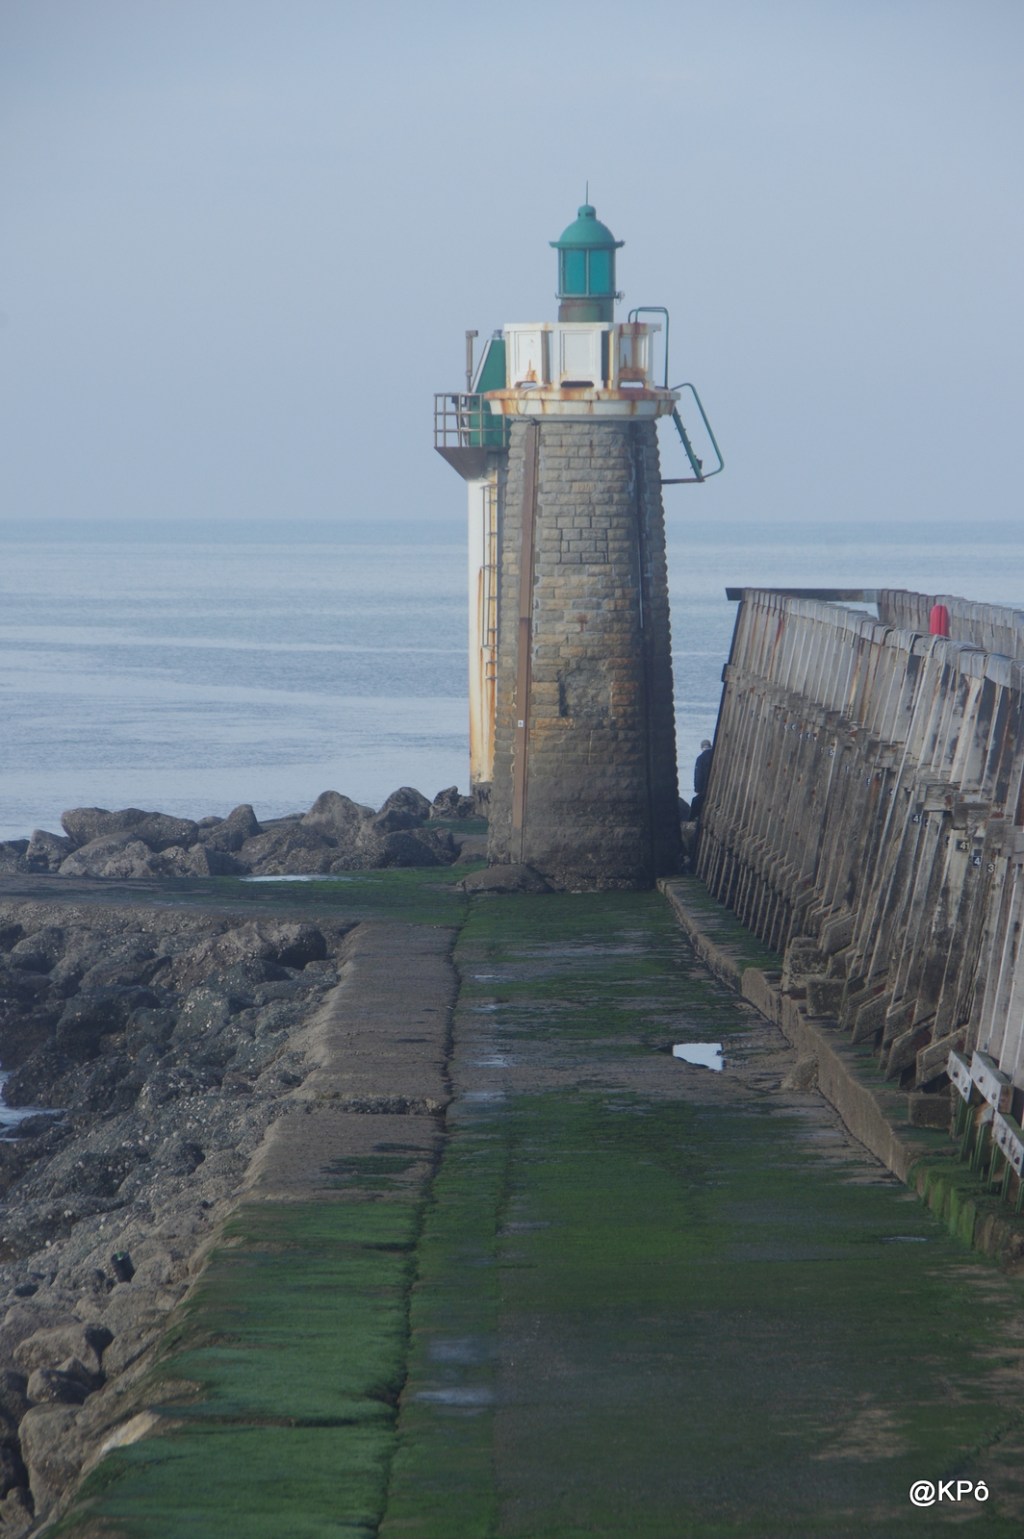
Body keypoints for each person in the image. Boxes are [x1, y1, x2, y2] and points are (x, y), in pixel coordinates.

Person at [691, 739, 713, 820]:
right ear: (710, 746)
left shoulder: (700, 758)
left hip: (704, 788)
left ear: (701, 748)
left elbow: (698, 775)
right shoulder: (715, 755)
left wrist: (697, 789)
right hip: (716, 788)